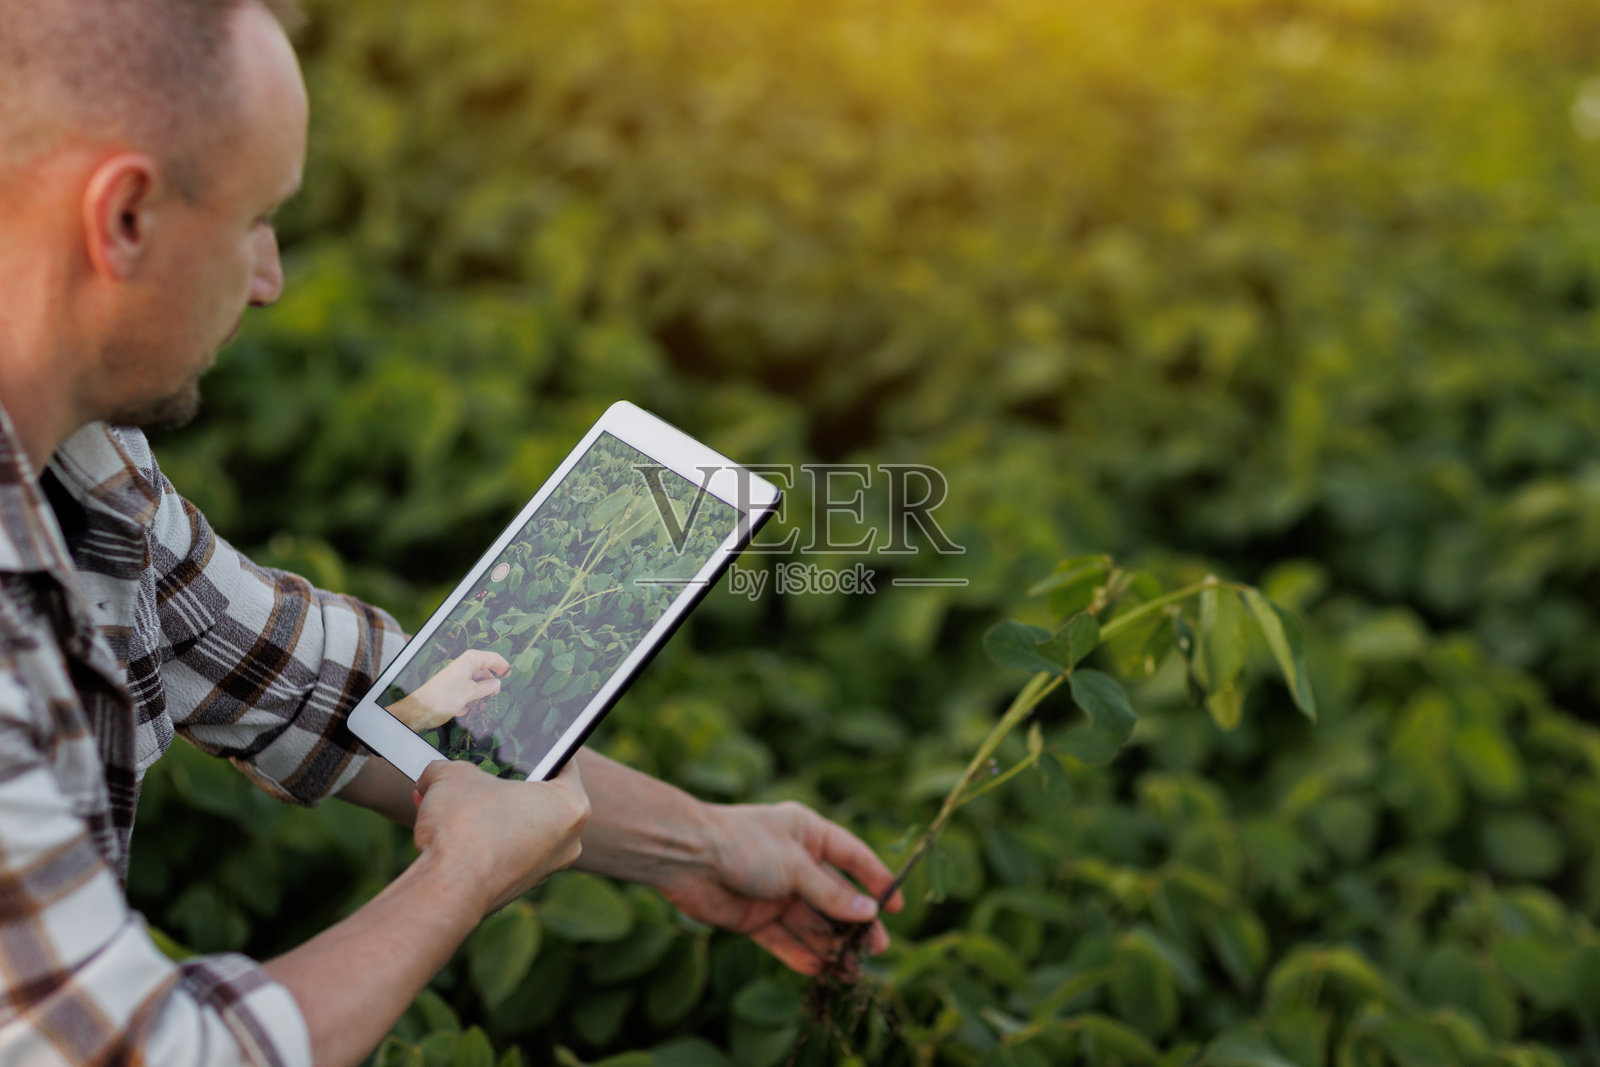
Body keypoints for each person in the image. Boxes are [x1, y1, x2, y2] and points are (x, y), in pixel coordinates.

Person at [0, 1, 901, 1064]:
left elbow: (318, 689)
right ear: (127, 219)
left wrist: (702, 844)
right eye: (254, 217)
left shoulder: (82, 459)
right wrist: (460, 878)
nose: (270, 277)